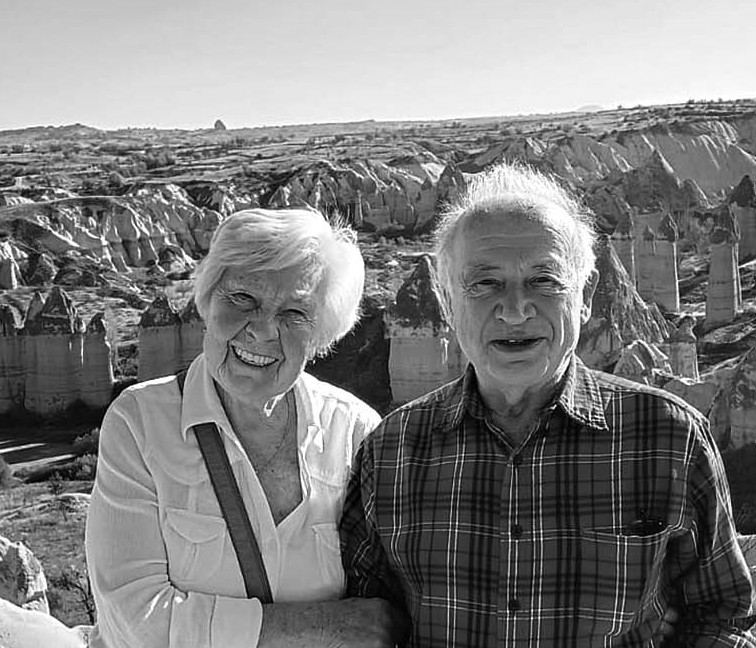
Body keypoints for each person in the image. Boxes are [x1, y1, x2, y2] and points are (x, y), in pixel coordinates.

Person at [340, 163, 755, 646]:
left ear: (586, 295)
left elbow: (721, 614)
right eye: (485, 284)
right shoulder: (390, 453)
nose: (516, 310)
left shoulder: (669, 438)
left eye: (544, 280)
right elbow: (363, 622)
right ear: (448, 301)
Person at [86, 208, 404, 647]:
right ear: (207, 300)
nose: (263, 330)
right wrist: (330, 625)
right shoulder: (139, 423)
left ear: (321, 335)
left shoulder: (354, 431)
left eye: (294, 312)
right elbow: (134, 620)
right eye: (242, 298)